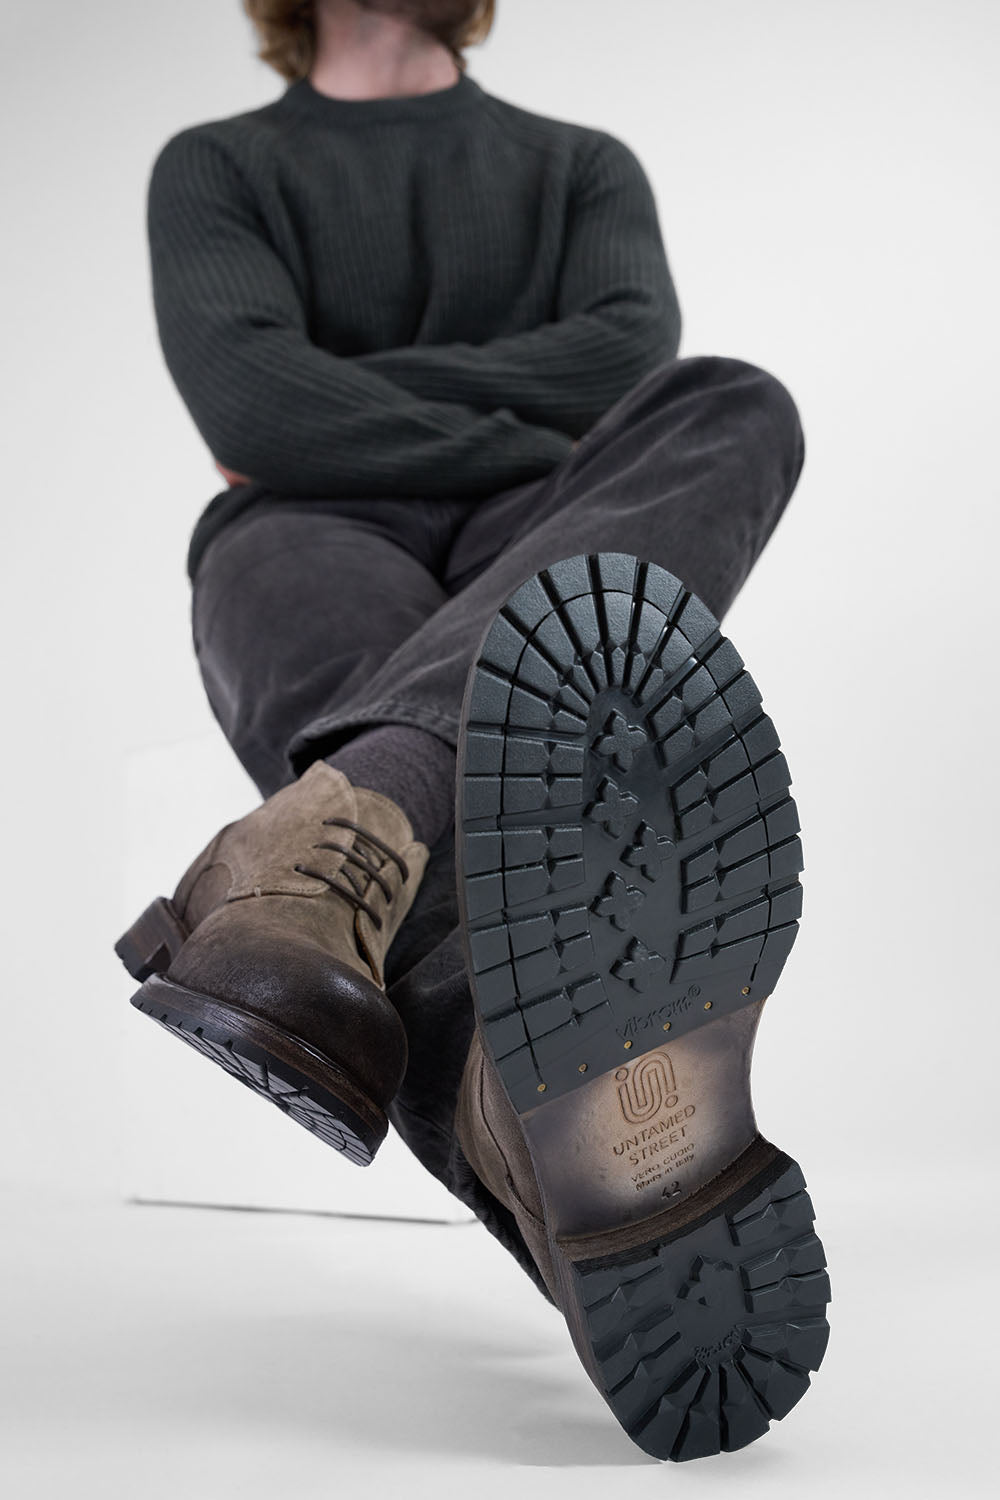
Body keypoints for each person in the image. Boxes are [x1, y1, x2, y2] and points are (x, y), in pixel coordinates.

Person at [116, 0, 829, 1461]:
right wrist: (526, 423)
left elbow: (629, 364)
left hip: (551, 522)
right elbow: (248, 403)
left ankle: (322, 852)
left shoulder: (579, 167)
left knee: (730, 405)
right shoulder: (219, 167)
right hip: (303, 535)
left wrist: (347, 406)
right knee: (454, 650)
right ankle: (543, 1126)